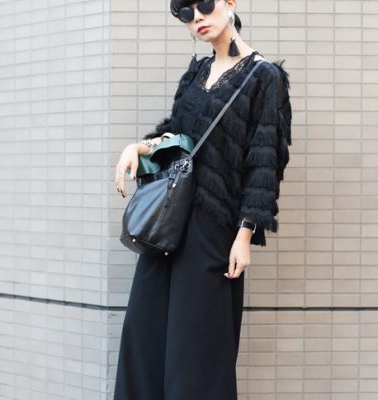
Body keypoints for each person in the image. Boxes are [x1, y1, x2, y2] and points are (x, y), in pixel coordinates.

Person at [113, 1, 292, 399]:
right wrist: (139, 147)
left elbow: (265, 163)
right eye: (185, 12)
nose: (197, 17)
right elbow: (178, 136)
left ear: (229, 3)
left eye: (205, 5)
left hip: (214, 229)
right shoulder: (195, 73)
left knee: (197, 348)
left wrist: (245, 235)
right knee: (145, 335)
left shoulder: (264, 76)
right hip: (168, 224)